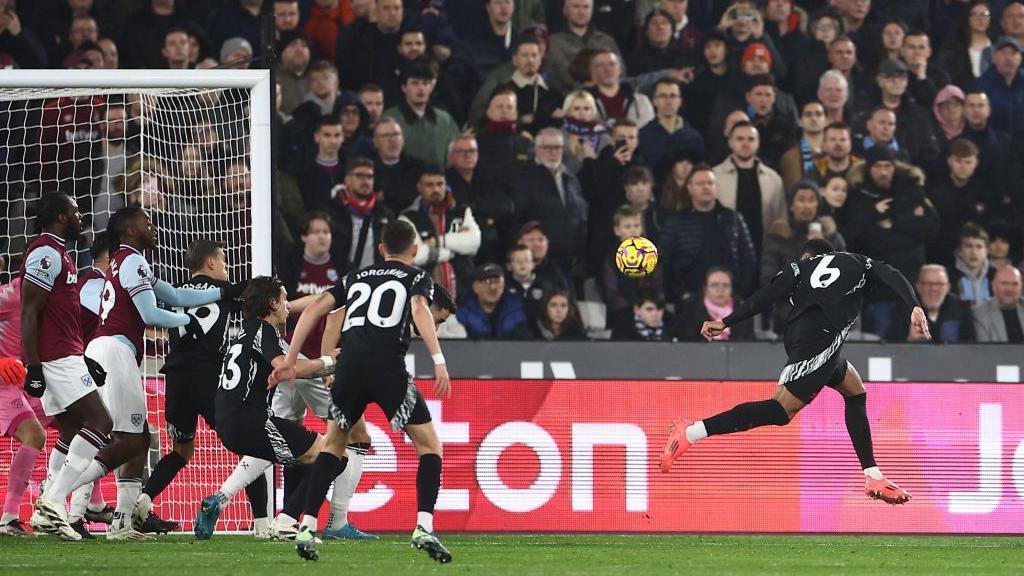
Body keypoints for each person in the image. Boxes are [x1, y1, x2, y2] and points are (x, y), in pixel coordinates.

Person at [662, 238, 928, 507]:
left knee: (855, 391)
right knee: (780, 411)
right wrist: (914, 305)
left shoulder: (798, 269)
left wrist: (726, 321)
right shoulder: (858, 262)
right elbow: (890, 274)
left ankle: (873, 475)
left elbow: (765, 297)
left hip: (803, 337)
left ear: (810, 255)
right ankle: (692, 432)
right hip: (820, 339)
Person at [270, 219, 457, 563]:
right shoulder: (417, 278)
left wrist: (291, 359)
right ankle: (424, 526)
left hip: (348, 369)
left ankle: (308, 526)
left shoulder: (354, 278)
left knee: (334, 445)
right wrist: (439, 359)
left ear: (381, 249)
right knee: (429, 445)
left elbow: (314, 308)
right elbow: (418, 309)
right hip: (388, 368)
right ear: (414, 251)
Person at [191, 276, 337, 541]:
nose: (288, 306)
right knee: (333, 454)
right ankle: (286, 521)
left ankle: (268, 518)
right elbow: (286, 367)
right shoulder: (264, 330)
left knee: (302, 451)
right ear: (271, 303)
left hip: (228, 423)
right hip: (250, 421)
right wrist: (328, 361)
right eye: (283, 300)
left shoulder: (245, 332)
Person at [129, 239, 255, 535]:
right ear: (210, 263)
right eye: (223, 260)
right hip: (208, 377)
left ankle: (145, 498)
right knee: (249, 446)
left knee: (182, 450)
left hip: (175, 378)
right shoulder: (225, 294)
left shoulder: (176, 293)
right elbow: (254, 297)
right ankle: (262, 523)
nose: (226, 267)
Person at [20, 193, 110, 542]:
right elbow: (29, 311)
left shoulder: (60, 252)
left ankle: (48, 512)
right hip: (56, 359)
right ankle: (55, 500)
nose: (80, 216)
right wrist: (34, 366)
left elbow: (61, 317)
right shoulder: (45, 253)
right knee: (102, 422)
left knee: (73, 433)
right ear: (60, 216)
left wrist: (83, 357)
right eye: (75, 211)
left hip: (67, 355)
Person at [713, 120, 787, 258]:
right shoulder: (714, 177)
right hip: (724, 253)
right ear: (730, 142)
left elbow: (780, 220)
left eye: (751, 139)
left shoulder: (773, 179)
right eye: (740, 139)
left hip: (765, 253)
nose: (745, 143)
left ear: (758, 143)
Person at [0, 278, 38, 536]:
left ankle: (88, 505)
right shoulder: (13, 294)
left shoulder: (50, 294)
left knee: (80, 425)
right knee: (35, 435)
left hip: (24, 381)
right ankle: (9, 518)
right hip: (4, 380)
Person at [891, 264, 974, 343]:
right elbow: (890, 347)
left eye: (939, 284)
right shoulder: (903, 310)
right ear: (918, 286)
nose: (933, 289)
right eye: (928, 284)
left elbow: (971, 346)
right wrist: (910, 340)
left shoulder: (961, 308)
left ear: (948, 287)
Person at [675, 267, 754, 342]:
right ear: (705, 289)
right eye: (714, 285)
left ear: (731, 289)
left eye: (725, 285)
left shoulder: (743, 313)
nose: (720, 290)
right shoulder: (690, 313)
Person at [456, 263, 532, 340]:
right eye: (487, 281)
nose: (493, 287)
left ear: (503, 286)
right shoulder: (462, 314)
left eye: (497, 281)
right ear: (475, 287)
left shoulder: (515, 311)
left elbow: (525, 345)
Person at [973, 265, 1024, 342]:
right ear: (993, 286)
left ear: (1021, 287)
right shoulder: (980, 314)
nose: (1009, 289)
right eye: (1004, 283)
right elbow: (984, 350)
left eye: (1015, 284)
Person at [950, 223, 996, 306]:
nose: (974, 252)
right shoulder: (948, 275)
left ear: (987, 250)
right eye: (968, 246)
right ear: (959, 251)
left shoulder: (996, 275)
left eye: (979, 247)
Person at [610, 290, 674, 341]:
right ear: (637, 310)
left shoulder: (672, 324)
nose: (655, 314)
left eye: (659, 309)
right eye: (649, 309)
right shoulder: (623, 327)